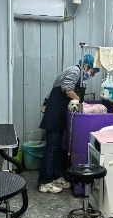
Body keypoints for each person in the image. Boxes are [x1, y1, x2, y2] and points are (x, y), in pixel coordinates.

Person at [38, 54, 100, 193]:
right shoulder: (75, 71)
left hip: (60, 114)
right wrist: (82, 103)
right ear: (86, 66)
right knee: (51, 148)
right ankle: (44, 181)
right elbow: (67, 89)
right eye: (92, 72)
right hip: (54, 113)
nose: (92, 75)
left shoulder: (78, 75)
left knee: (58, 148)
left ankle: (55, 177)